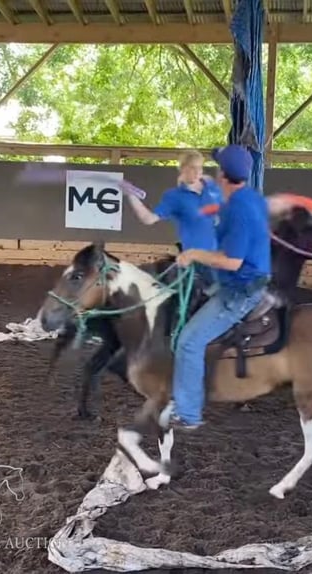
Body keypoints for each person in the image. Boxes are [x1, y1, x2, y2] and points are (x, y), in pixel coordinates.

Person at [169, 144, 271, 430]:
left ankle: (188, 414)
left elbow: (232, 262)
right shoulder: (245, 197)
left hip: (239, 289)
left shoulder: (238, 209)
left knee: (188, 342)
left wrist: (194, 254)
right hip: (246, 276)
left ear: (224, 174)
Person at [124, 150, 222, 287]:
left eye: (199, 167)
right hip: (198, 262)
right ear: (182, 169)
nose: (197, 172)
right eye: (192, 168)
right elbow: (148, 218)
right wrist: (131, 196)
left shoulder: (212, 188)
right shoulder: (174, 197)